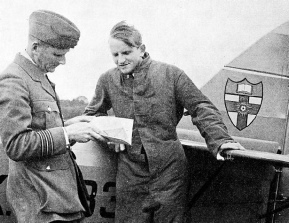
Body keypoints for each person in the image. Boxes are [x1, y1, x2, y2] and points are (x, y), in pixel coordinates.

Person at [83, 21, 245, 223]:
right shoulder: (107, 80)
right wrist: (111, 134)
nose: (120, 60)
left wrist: (221, 140)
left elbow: (201, 107)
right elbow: (91, 115)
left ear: (141, 49)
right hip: (130, 174)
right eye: (115, 55)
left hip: (170, 173)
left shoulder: (171, 75)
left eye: (126, 52)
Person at [0, 10, 104, 223]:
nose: (63, 61)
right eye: (58, 54)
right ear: (36, 47)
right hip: (41, 204)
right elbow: (16, 145)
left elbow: (40, 128)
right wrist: (67, 133)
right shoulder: (14, 80)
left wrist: (73, 125)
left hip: (58, 201)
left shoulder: (37, 77)